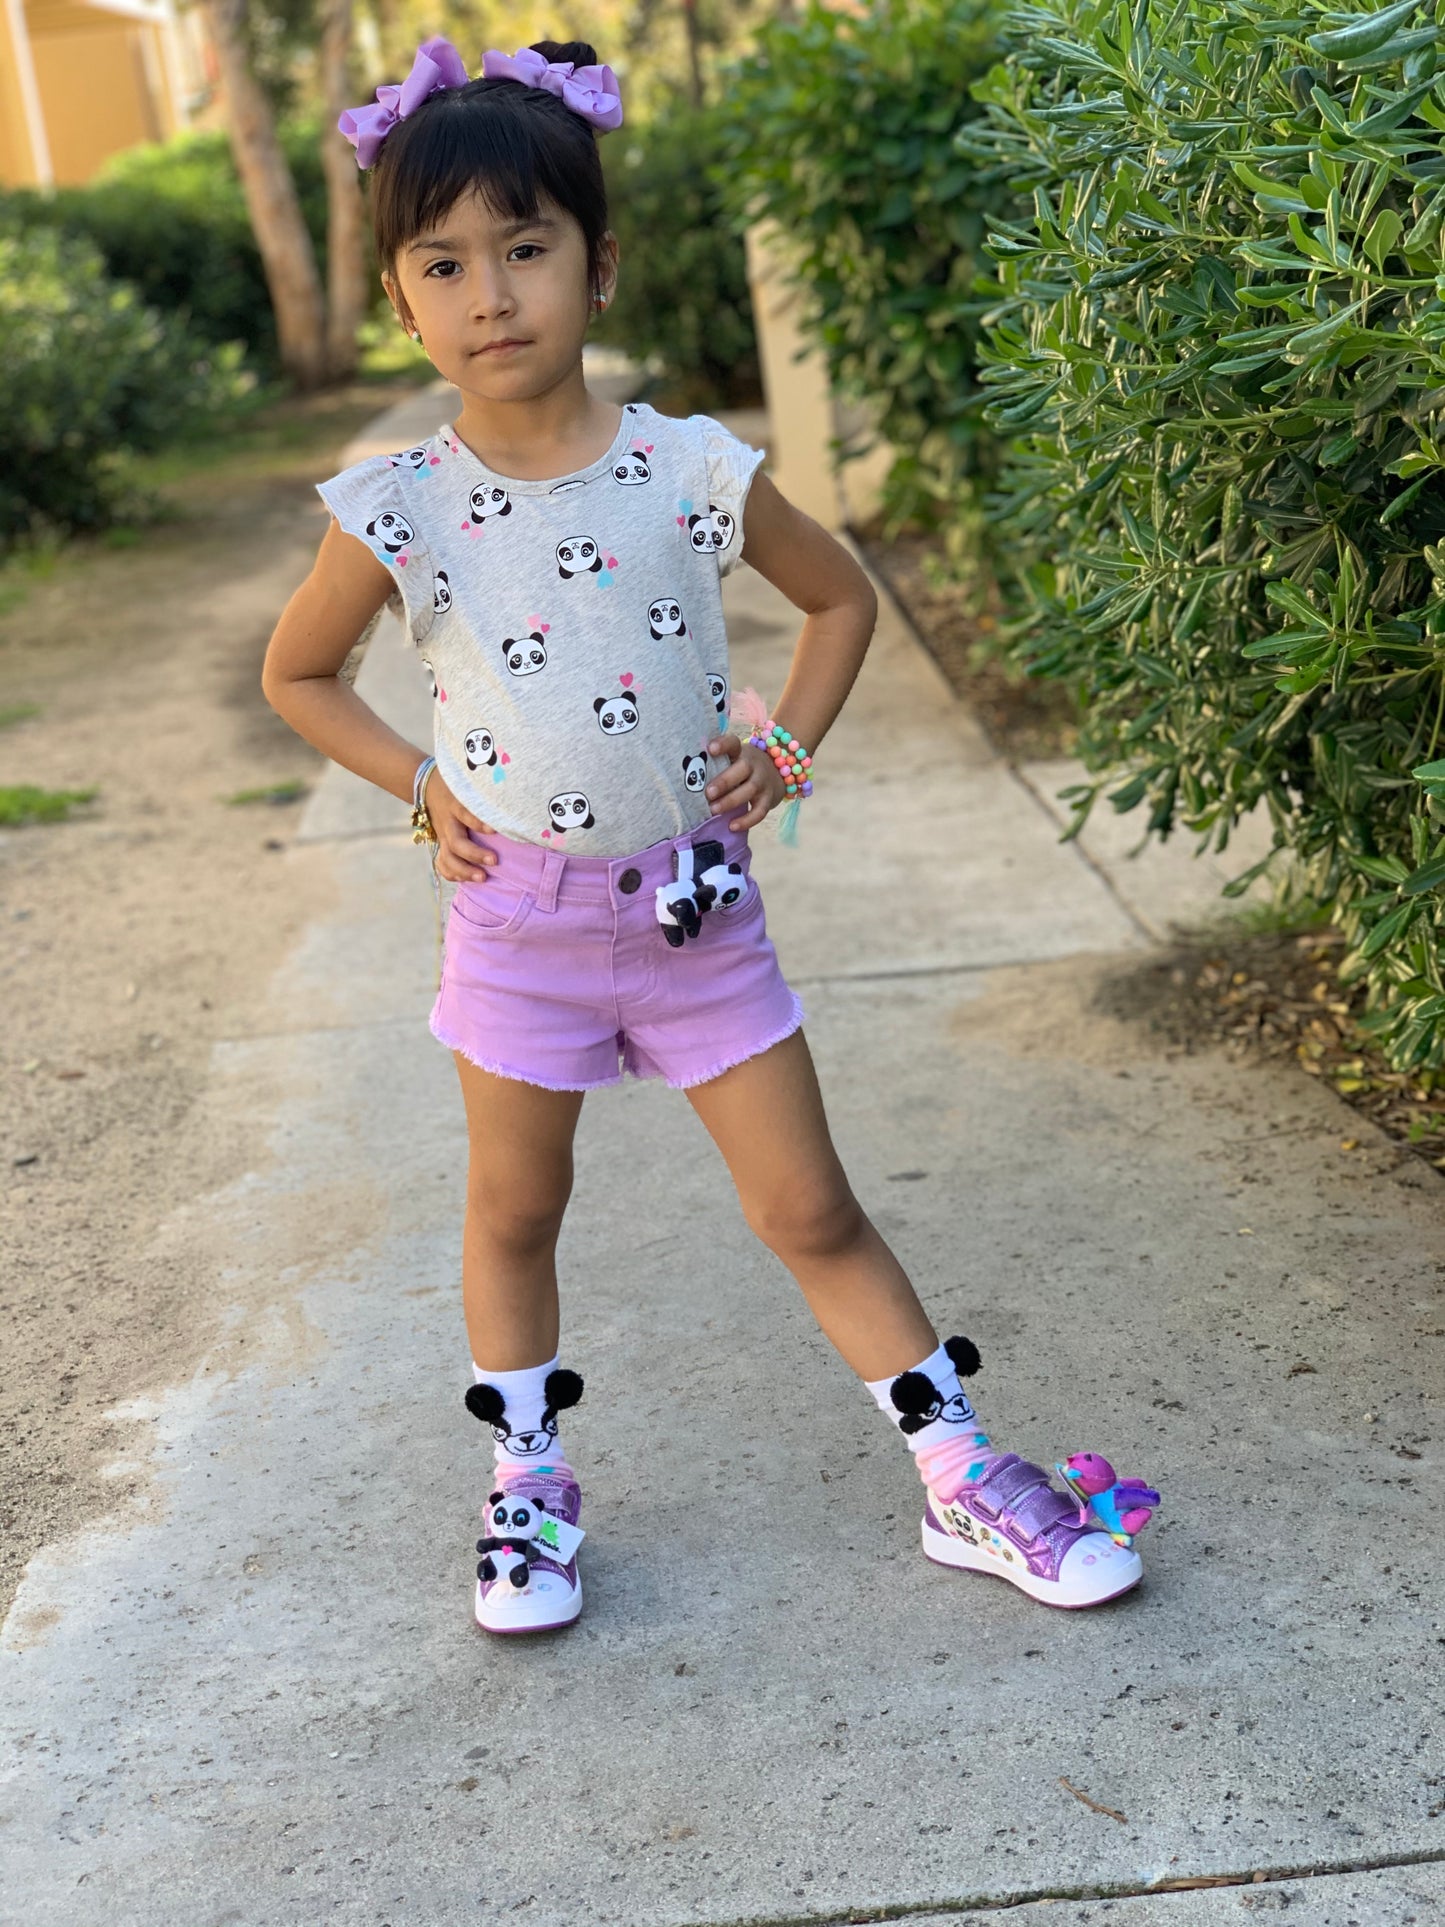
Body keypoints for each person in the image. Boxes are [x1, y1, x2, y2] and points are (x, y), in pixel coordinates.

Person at [261, 35, 1151, 1634]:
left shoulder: (688, 470)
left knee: (808, 1206)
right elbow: (297, 674)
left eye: (525, 249)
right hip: (518, 923)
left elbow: (838, 599)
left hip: (697, 920)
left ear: (597, 266)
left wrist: (785, 747)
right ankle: (525, 1481)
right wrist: (420, 785)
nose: (490, 296)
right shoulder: (397, 506)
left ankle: (959, 1470)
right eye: (443, 263)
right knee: (514, 1210)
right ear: (401, 298)